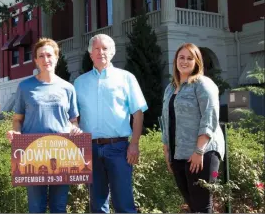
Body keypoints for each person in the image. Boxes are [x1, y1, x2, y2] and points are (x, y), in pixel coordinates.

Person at [6, 38, 82, 213]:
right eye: (41, 56)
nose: (45, 59)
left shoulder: (68, 88)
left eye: (49, 55)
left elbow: (73, 121)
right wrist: (15, 133)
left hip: (62, 152)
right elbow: (17, 119)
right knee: (36, 207)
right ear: (35, 60)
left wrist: (75, 129)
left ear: (56, 57)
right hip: (33, 152)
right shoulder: (25, 87)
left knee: (59, 206)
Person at [74, 34, 148, 213]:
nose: (101, 52)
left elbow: (138, 114)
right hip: (90, 149)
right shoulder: (79, 83)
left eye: (105, 48)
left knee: (124, 203)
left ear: (112, 52)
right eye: (96, 49)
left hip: (119, 148)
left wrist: (135, 144)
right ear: (90, 54)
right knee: (97, 205)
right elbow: (73, 118)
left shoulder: (126, 78)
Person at [161, 43, 225, 213]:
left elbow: (209, 117)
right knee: (191, 203)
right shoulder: (170, 88)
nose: (185, 61)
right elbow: (166, 120)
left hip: (203, 152)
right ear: (175, 61)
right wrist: (166, 149)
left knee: (202, 204)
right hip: (178, 153)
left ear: (197, 62)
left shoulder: (203, 84)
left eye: (190, 58)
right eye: (181, 57)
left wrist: (199, 151)